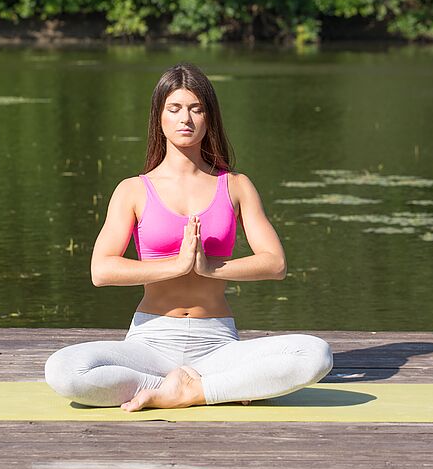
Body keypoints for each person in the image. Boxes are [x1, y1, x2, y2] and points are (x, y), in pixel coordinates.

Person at [44, 62, 332, 412]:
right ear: (159, 117)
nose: (186, 119)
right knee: (63, 370)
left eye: (197, 109)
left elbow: (275, 264)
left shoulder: (236, 186)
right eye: (175, 108)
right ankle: (191, 389)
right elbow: (101, 271)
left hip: (217, 345)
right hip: (149, 342)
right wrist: (178, 265)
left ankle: (192, 391)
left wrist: (210, 268)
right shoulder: (132, 190)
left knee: (316, 354)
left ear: (209, 117)